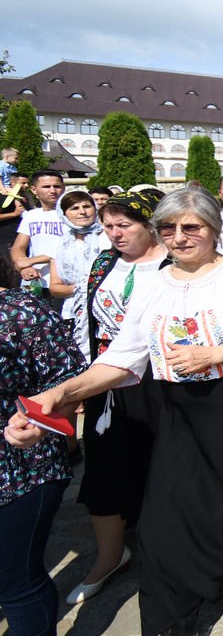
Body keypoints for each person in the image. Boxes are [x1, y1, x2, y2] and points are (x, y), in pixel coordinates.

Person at [4, 187, 223, 635]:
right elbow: (122, 358)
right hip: (178, 411)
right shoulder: (153, 283)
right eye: (169, 228)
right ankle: (170, 620)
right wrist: (60, 394)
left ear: (213, 229)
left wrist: (219, 354)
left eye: (192, 227)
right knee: (162, 523)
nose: (180, 237)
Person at [67, 190, 166, 608]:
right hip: (107, 380)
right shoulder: (105, 262)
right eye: (108, 226)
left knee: (160, 466)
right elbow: (87, 317)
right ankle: (109, 557)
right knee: (105, 466)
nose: (115, 233)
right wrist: (84, 379)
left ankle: (167, 555)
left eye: (124, 225)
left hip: (157, 382)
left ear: (149, 225)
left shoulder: (171, 265)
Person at [0, 251, 88, 634]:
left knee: (15, 581)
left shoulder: (22, 312)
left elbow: (69, 382)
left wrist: (43, 424)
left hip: (20, 466)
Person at [47, 190, 107, 358]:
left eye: (87, 206)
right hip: (72, 313)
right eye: (74, 208)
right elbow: (56, 288)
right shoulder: (59, 243)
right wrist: (88, 286)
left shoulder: (108, 237)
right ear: (64, 213)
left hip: (104, 311)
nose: (82, 211)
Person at [10, 170, 66, 296]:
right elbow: (18, 247)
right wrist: (25, 267)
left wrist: (31, 261)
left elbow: (68, 249)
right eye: (46, 186)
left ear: (64, 188)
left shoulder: (73, 215)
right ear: (34, 190)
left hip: (62, 283)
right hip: (35, 282)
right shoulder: (31, 215)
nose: (53, 190)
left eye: (57, 186)